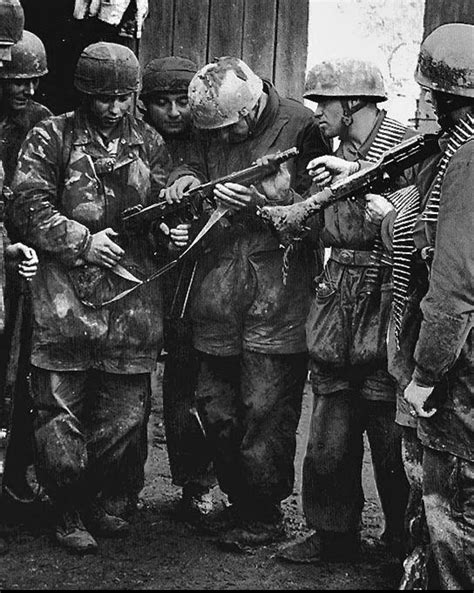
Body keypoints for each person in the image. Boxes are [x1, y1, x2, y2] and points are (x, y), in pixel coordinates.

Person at [7, 41, 186, 555]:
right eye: (105, 98)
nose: (115, 107)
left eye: (123, 98)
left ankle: (98, 502)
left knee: (125, 413)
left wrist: (169, 231)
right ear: (86, 94)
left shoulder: (150, 143)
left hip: (132, 304)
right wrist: (82, 242)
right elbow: (26, 206)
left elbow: (161, 209)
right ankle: (65, 509)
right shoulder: (52, 136)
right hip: (64, 302)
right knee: (59, 411)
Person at [165, 56, 330, 548]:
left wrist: (262, 206)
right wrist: (186, 177)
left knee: (265, 409)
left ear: (251, 107)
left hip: (276, 298)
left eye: (227, 132)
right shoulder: (212, 120)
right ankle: (238, 501)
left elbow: (320, 217)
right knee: (214, 405)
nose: (220, 141)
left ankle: (262, 513)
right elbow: (192, 154)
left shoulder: (301, 127)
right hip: (218, 292)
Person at [277, 57, 411, 564]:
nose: (316, 114)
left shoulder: (405, 147)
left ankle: (402, 538)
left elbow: (419, 218)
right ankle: (332, 533)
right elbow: (319, 224)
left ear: (353, 104)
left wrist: (381, 200)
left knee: (390, 429)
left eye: (324, 103)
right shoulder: (330, 153)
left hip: (387, 291)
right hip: (339, 295)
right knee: (331, 420)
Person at [393, 24, 473, 590]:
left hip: (463, 372)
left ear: (444, 95)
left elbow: (453, 289)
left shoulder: (465, 161)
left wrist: (424, 374)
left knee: (453, 510)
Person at [140, 56, 216, 520]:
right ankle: (116, 483)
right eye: (160, 103)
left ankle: (195, 482)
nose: (172, 112)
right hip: (140, 277)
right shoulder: (136, 143)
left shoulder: (209, 141)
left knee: (187, 384)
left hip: (192, 281)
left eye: (179, 102)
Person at [0, 29, 52, 505]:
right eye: (18, 81)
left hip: (25, 261)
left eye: (34, 82)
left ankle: (16, 472)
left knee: (21, 372)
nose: (28, 91)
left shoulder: (42, 122)